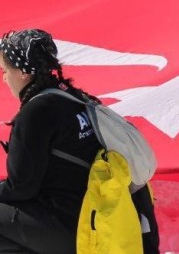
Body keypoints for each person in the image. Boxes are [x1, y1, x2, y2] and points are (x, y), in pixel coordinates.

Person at [0, 29, 160, 253]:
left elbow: (21, 188)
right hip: (102, 219)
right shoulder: (74, 98)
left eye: (5, 70)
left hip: (77, 227)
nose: (4, 78)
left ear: (24, 73)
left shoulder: (36, 112)